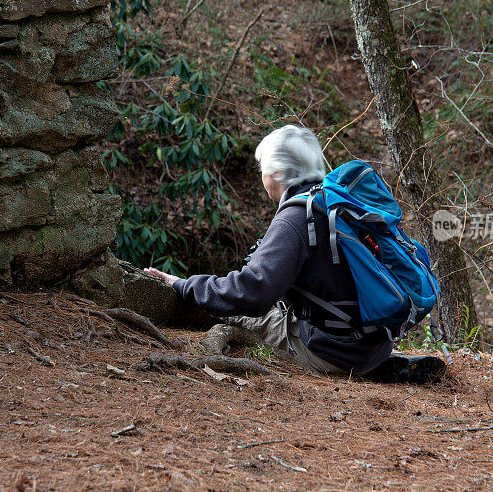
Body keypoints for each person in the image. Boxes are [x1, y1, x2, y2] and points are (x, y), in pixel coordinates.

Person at [145, 125, 445, 382]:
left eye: (262, 170)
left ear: (276, 172)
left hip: (331, 350)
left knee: (238, 315)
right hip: (373, 342)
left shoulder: (296, 216)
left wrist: (183, 285)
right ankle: (373, 363)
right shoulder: (335, 203)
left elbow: (251, 292)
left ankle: (348, 366)